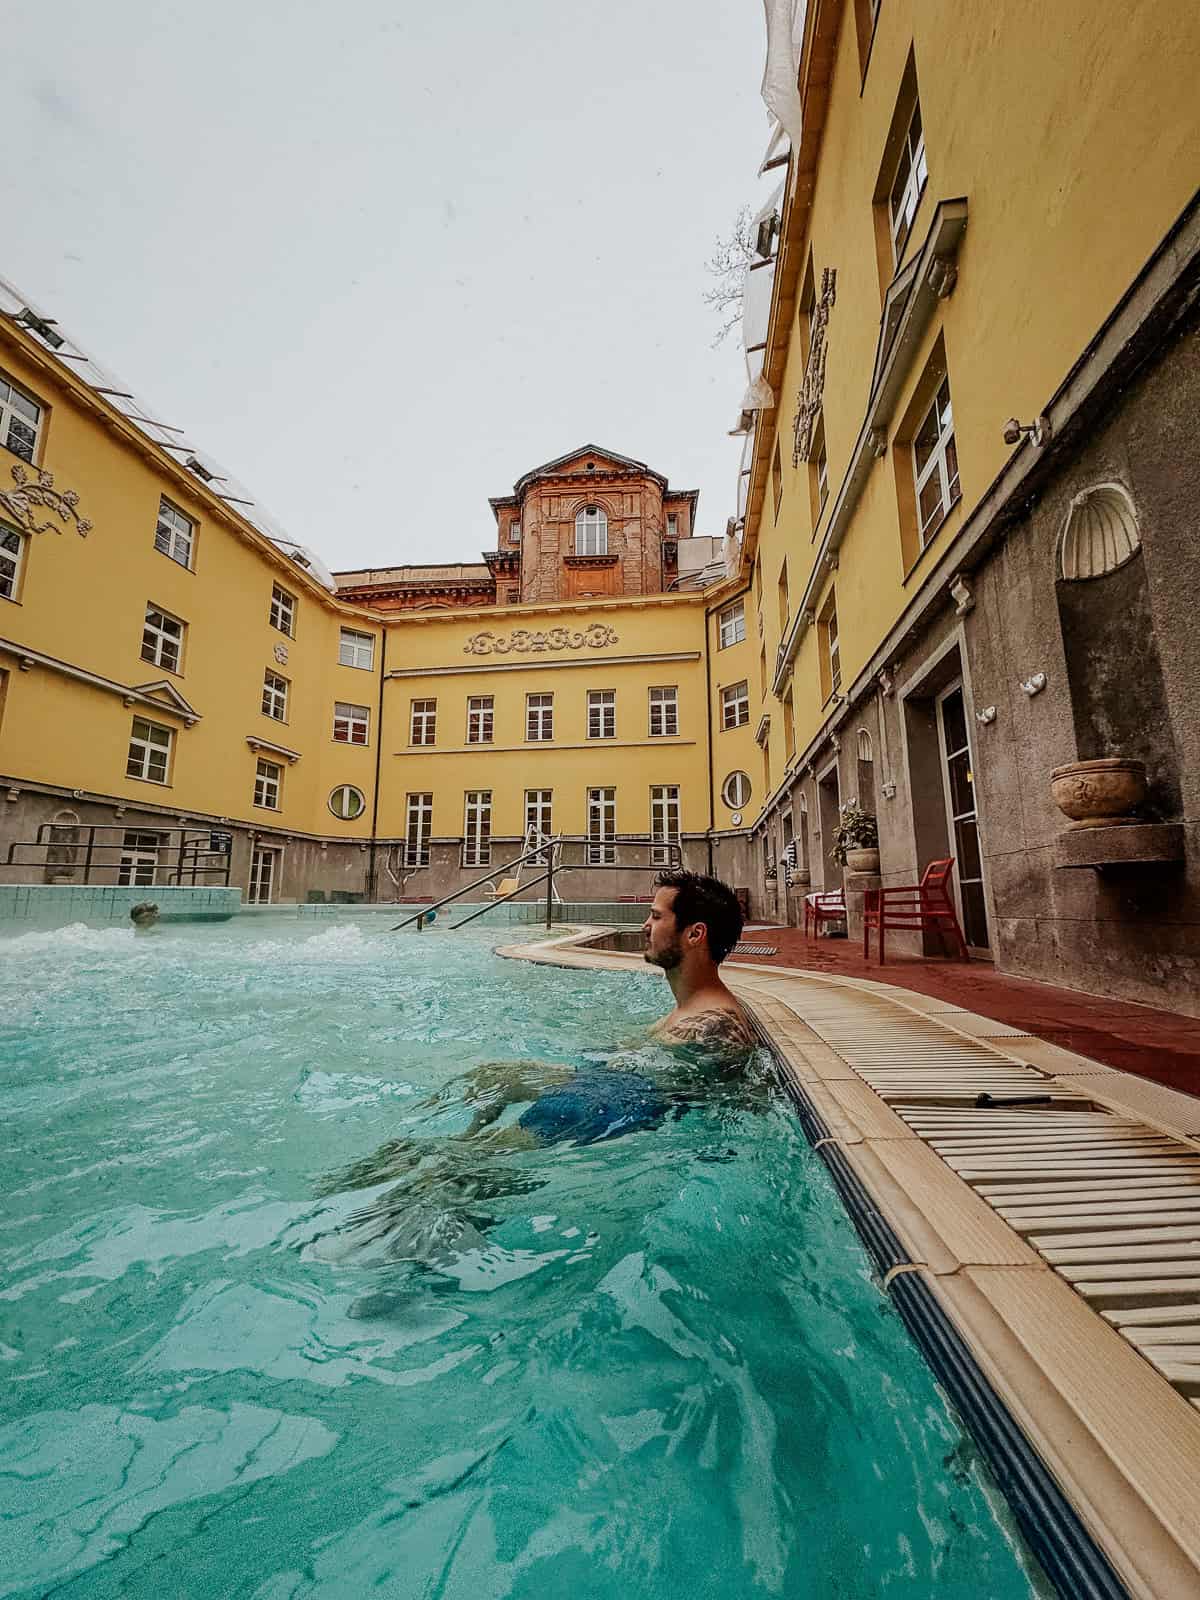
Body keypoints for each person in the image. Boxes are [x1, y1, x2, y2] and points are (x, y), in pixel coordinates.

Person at [642, 869, 755, 1058]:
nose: (645, 926)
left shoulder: (715, 1030)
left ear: (695, 934)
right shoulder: (685, 1012)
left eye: (656, 916)